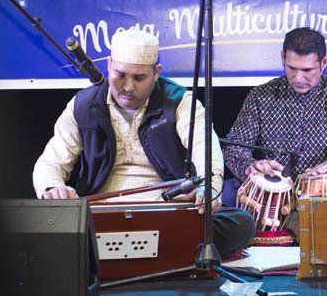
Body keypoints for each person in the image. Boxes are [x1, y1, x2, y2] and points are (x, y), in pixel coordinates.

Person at [33, 28, 254, 256]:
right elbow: (50, 163)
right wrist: (52, 187)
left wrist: (209, 187)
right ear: (109, 65)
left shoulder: (179, 101)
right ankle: (169, 253)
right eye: (120, 75)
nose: (128, 87)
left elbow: (205, 148)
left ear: (156, 72)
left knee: (240, 223)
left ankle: (108, 254)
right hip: (100, 215)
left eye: (139, 78)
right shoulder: (83, 105)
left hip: (166, 213)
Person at [223, 27, 327, 185]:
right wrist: (249, 166)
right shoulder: (260, 96)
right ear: (283, 58)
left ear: (324, 63)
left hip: (325, 194)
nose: (298, 78)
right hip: (271, 193)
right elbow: (234, 147)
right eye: (291, 68)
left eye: (307, 70)